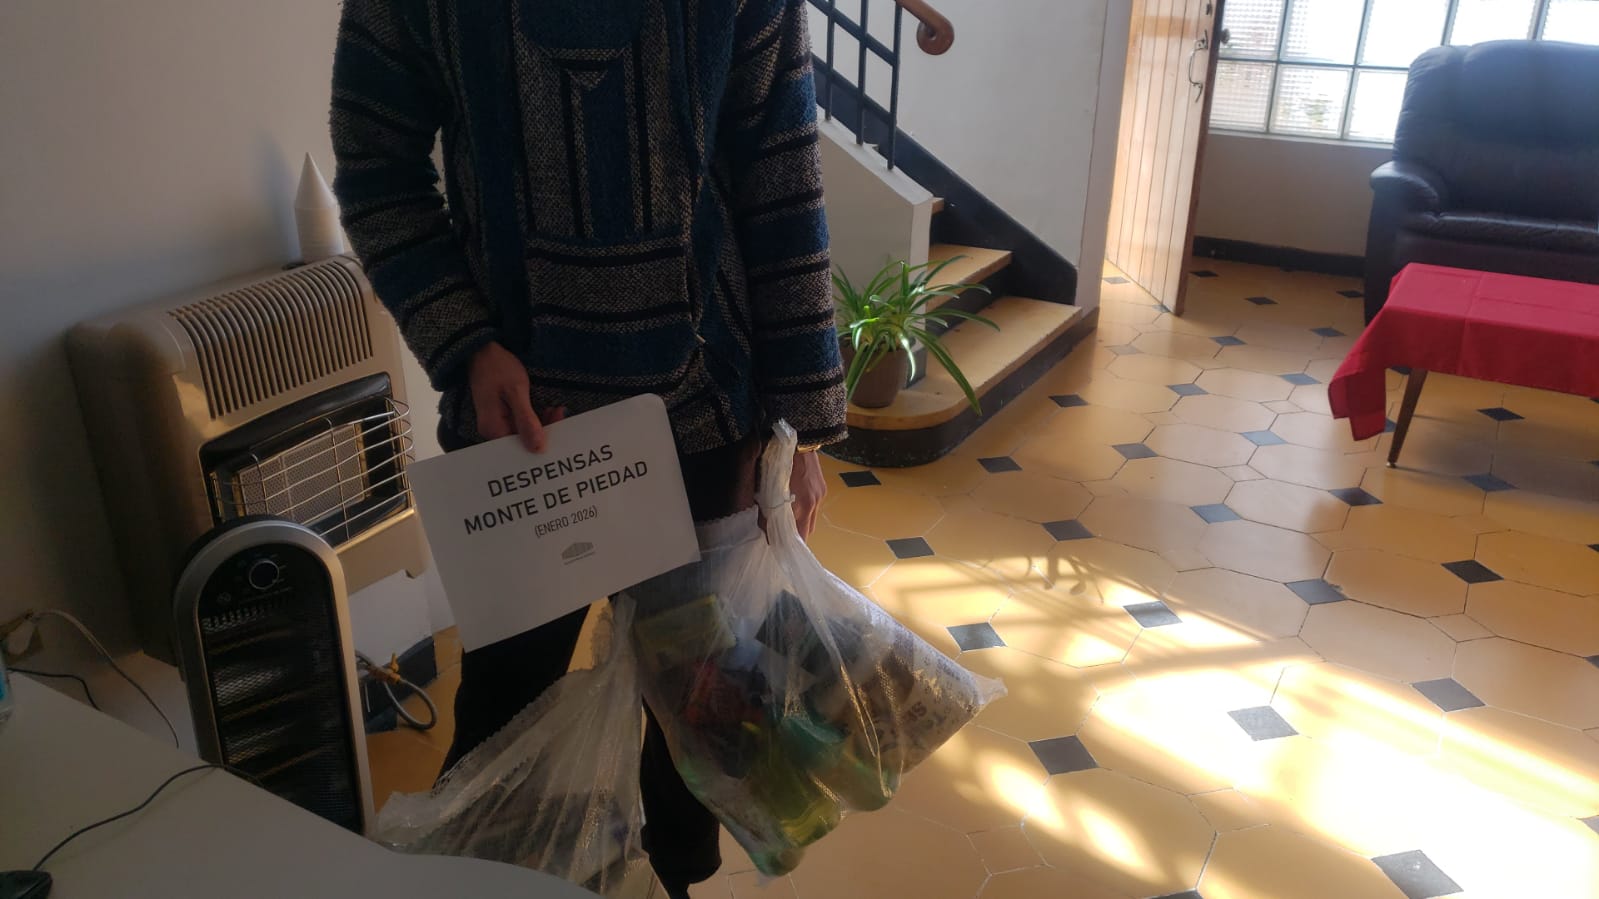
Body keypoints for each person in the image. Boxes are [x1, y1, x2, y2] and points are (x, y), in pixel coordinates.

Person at [330, 0, 845, 894]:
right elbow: (377, 170)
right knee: (503, 717)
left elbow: (781, 174)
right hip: (520, 441)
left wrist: (799, 423)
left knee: (701, 712)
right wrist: (464, 343)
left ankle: (676, 880)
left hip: (706, 418)